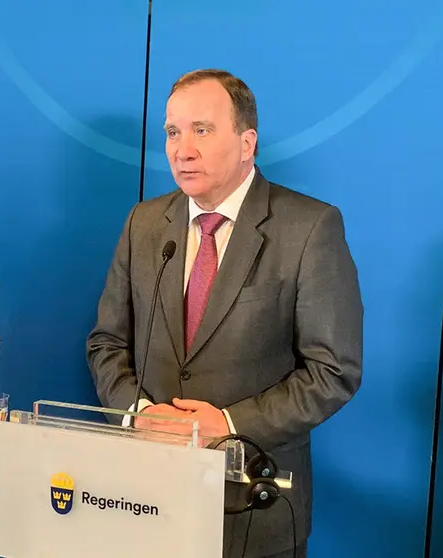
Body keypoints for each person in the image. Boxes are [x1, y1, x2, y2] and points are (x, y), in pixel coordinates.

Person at [86, 69, 363, 558]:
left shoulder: (309, 228)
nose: (182, 148)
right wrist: (141, 414)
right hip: (146, 502)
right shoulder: (144, 223)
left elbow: (332, 371)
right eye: (172, 131)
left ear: (247, 142)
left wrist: (230, 425)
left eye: (202, 130)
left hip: (253, 511)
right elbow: (107, 342)